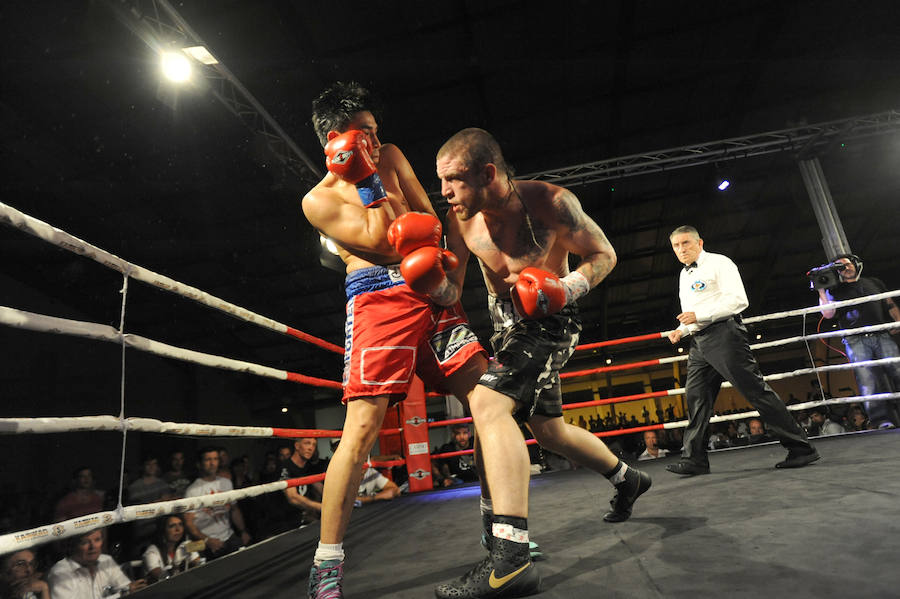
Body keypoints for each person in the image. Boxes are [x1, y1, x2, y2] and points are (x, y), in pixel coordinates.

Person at [433, 128, 652, 598]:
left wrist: (564, 288)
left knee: (488, 406)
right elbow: (451, 288)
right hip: (504, 325)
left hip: (552, 319)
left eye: (453, 180)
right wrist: (421, 278)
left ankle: (508, 555)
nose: (445, 192)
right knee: (548, 430)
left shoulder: (552, 203)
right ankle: (627, 477)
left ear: (487, 173)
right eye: (442, 181)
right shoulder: (459, 218)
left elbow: (604, 254)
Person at [300, 82, 488, 598]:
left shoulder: (394, 155)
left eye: (378, 133)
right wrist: (363, 179)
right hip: (377, 298)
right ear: (336, 139)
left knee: (489, 400)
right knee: (361, 429)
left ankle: (504, 537)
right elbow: (388, 238)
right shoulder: (316, 202)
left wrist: (445, 275)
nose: (378, 144)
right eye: (366, 135)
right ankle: (327, 566)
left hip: (429, 287)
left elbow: (425, 227)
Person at [665, 225, 818, 475]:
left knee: (755, 391)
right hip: (699, 342)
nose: (681, 249)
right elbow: (692, 312)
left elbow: (738, 300)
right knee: (696, 398)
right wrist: (680, 331)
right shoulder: (684, 275)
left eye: (685, 243)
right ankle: (694, 459)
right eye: (676, 246)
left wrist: (699, 316)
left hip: (724, 335)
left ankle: (801, 448)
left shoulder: (720, 263)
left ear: (699, 243)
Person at [817, 254, 900, 428]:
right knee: (867, 381)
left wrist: (898, 320)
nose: (845, 268)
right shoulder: (835, 290)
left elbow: (889, 302)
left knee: (898, 370)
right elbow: (828, 314)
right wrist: (821, 288)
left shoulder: (874, 282)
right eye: (840, 267)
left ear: (856, 265)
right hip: (856, 339)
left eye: (847, 264)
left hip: (881, 332)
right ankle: (881, 421)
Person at [183, 447, 252, 560]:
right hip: (207, 542)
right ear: (200, 464)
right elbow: (189, 523)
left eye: (215, 459)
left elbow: (234, 509)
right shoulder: (192, 490)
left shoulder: (226, 483)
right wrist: (207, 540)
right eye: (208, 459)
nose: (212, 463)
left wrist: (243, 531)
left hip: (229, 536)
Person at [48, 529, 147, 599]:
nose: (93, 547)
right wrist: (123, 593)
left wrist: (134, 589)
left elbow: (127, 587)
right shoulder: (60, 572)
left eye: (97, 540)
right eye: (85, 542)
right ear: (73, 546)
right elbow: (126, 592)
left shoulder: (106, 560)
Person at [141, 514, 202, 583]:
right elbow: (161, 576)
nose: (178, 529)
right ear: (163, 530)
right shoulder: (151, 552)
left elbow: (200, 566)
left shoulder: (187, 544)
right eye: (172, 526)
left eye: (180, 524)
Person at [280, 438, 326, 525]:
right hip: (285, 522)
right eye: (307, 443)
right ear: (297, 446)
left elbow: (320, 488)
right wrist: (322, 507)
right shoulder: (285, 467)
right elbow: (293, 498)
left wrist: (339, 502)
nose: (311, 448)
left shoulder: (309, 467)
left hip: (305, 519)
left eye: (314, 445)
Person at [432, 423, 479, 487]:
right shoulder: (448, 448)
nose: (462, 437)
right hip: (458, 483)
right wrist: (442, 480)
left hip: (477, 480)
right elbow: (432, 462)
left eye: (465, 433)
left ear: (469, 434)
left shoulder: (476, 443)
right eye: (458, 433)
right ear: (453, 435)